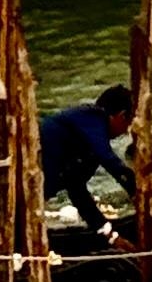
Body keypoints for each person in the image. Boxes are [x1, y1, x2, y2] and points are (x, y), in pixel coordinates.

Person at [41, 84, 141, 244]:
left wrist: (111, 237)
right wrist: (134, 189)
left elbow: (77, 191)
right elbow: (107, 157)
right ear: (122, 116)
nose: (125, 132)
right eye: (128, 125)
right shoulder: (91, 118)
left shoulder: (89, 144)